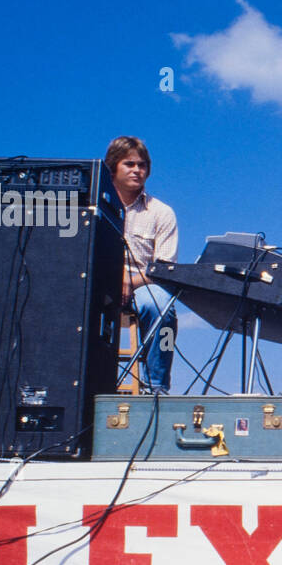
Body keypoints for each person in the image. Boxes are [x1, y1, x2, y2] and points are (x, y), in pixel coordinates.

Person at [107, 135, 178, 394]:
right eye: (129, 164)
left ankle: (156, 389)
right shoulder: (93, 203)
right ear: (113, 167)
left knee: (160, 305)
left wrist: (129, 280)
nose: (137, 170)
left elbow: (165, 269)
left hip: (143, 283)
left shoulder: (162, 212)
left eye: (142, 165)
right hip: (95, 279)